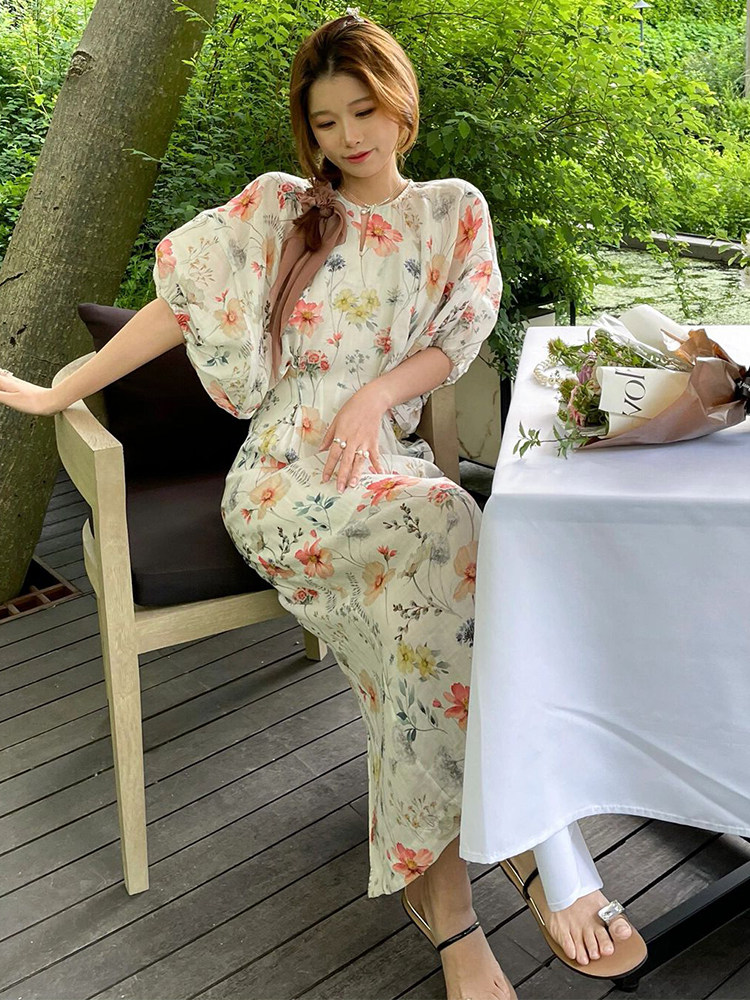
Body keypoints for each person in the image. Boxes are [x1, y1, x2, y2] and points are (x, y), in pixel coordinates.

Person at [0, 10, 646, 1000]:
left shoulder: (452, 213)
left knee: (438, 580)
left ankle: (452, 887)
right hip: (284, 481)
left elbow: (456, 338)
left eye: (365, 111)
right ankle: (529, 854)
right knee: (450, 530)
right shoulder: (283, 211)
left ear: (401, 104)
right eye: (328, 120)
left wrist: (378, 396)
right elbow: (176, 306)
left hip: (382, 464)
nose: (350, 136)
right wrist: (59, 391)